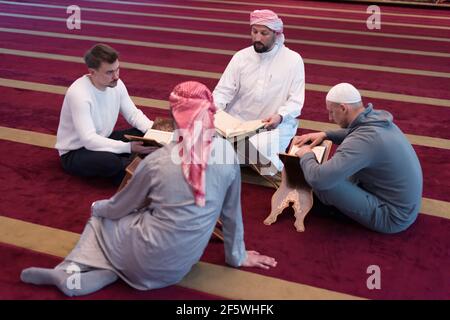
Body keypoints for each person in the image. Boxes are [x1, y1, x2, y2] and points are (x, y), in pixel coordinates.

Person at [21, 81, 277, 297]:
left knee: (101, 219)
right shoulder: (227, 155)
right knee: (132, 227)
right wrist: (237, 256)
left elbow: (118, 207)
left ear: (175, 116)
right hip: (178, 267)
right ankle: (108, 271)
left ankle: (70, 271)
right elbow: (231, 214)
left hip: (146, 255)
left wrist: (95, 206)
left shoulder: (157, 162)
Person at [292, 83, 423, 234]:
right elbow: (355, 133)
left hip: (392, 217)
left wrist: (307, 155)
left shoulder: (364, 140)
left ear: (343, 108)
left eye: (331, 112)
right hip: (405, 205)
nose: (329, 118)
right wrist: (326, 134)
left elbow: (319, 179)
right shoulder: (376, 119)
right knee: (340, 170)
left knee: (324, 184)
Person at [213, 9, 305, 177]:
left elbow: (296, 101)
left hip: (271, 125)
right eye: (254, 32)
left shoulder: (293, 60)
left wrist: (280, 116)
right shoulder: (241, 57)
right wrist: (213, 110)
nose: (257, 38)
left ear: (276, 34)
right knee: (201, 133)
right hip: (236, 123)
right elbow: (222, 91)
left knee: (258, 148)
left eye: (264, 33)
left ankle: (232, 157)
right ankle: (237, 156)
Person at [55, 43, 155, 185]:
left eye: (117, 69)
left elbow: (133, 114)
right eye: (109, 72)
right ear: (92, 72)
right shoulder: (79, 94)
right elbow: (89, 140)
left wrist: (155, 132)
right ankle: (139, 170)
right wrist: (127, 147)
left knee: (144, 135)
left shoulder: (116, 84)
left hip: (103, 139)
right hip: (76, 152)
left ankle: (133, 165)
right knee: (110, 162)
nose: (116, 76)